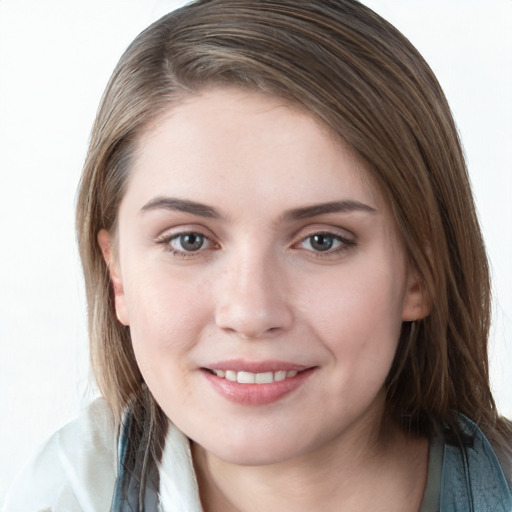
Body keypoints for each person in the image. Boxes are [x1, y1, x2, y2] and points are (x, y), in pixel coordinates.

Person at [3, 0, 512, 510]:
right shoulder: (55, 495)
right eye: (189, 241)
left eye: (322, 241)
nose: (250, 313)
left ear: (419, 274)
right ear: (119, 276)